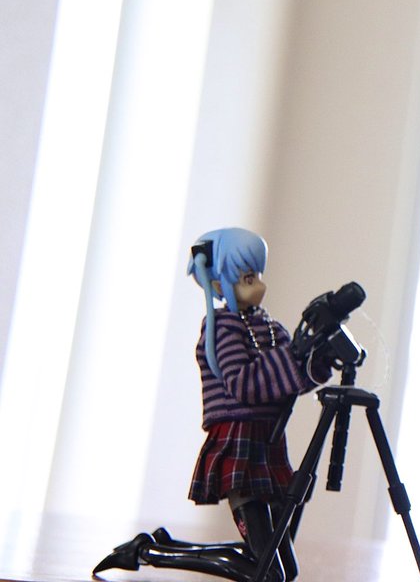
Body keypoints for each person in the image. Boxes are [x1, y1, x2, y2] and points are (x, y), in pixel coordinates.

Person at [95, 227, 328, 582]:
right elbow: (244, 384)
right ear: (217, 283)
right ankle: (148, 552)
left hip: (267, 444)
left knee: (282, 569)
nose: (258, 285)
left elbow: (289, 382)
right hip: (238, 443)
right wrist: (293, 357)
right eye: (248, 278)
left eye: (257, 275)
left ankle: (161, 546)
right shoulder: (221, 328)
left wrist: (318, 361)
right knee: (270, 574)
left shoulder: (269, 326)